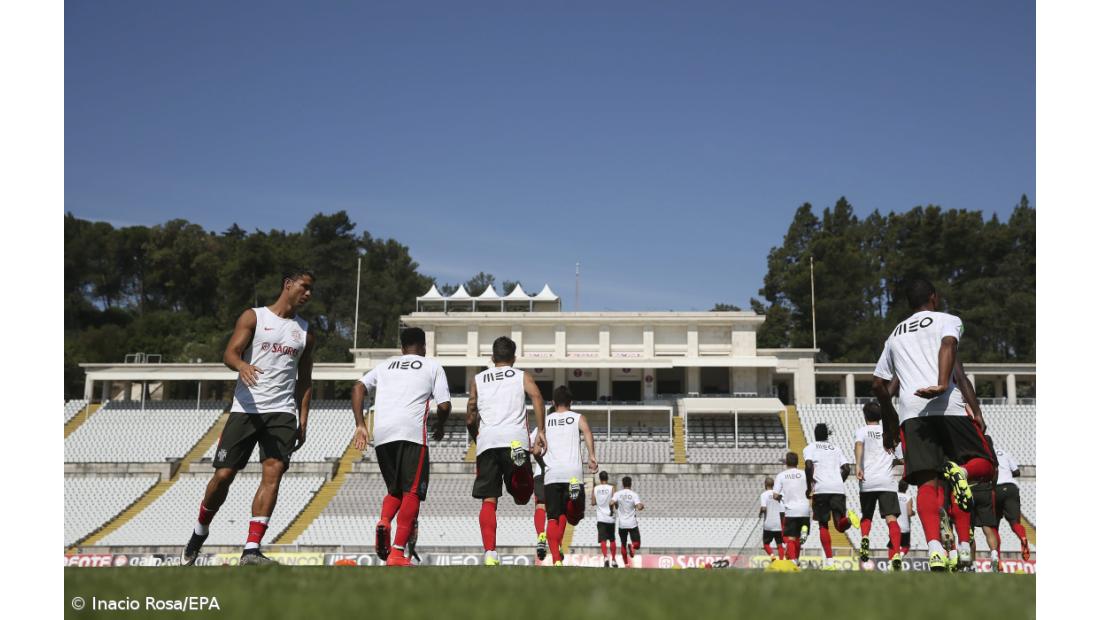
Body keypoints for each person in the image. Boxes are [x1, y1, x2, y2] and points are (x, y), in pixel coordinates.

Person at [182, 269, 316, 566]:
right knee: (224, 476)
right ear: (288, 284)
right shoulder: (253, 317)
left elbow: (305, 380)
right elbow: (230, 353)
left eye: (311, 290)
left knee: (274, 473)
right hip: (246, 408)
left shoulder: (305, 331)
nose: (308, 294)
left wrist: (303, 419)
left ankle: (252, 549)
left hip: (282, 412)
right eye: (304, 287)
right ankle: (200, 530)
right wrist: (241, 365)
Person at [871, 278, 997, 571]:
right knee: (984, 465)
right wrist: (960, 398)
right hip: (949, 407)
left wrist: (891, 424)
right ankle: (965, 544)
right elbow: (950, 349)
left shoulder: (894, 335)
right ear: (934, 297)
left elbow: (879, 385)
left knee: (928, 484)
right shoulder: (948, 320)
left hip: (913, 414)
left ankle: (935, 549)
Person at [352, 327, 451, 567]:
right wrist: (440, 425)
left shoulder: (385, 366)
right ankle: (397, 552)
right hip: (412, 433)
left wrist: (360, 425)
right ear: (424, 347)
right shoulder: (432, 366)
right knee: (412, 492)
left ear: (402, 348)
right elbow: (445, 404)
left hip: (383, 434)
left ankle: (384, 521)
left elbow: (357, 387)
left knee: (395, 490)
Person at [466, 337, 547, 566]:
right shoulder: (522, 376)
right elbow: (537, 397)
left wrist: (477, 437)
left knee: (489, 500)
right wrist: (541, 431)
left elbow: (471, 413)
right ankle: (520, 471)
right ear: (514, 358)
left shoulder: (478, 379)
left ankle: (490, 553)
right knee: (522, 498)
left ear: (492, 358)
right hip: (515, 439)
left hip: (488, 442)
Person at [541, 386, 598, 566]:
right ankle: (573, 499)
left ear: (553, 403)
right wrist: (592, 456)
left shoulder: (546, 420)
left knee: (552, 517)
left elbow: (537, 443)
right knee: (574, 516)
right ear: (571, 403)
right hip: (573, 472)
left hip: (552, 474)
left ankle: (557, 561)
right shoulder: (577, 417)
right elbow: (587, 431)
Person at [804, 423, 859, 570]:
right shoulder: (836, 448)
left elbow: (809, 466)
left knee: (823, 524)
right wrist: (838, 482)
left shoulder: (810, 448)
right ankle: (848, 519)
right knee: (840, 526)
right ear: (827, 436)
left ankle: (830, 562)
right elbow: (847, 468)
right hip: (837, 488)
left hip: (821, 489)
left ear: (815, 435)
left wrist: (809, 487)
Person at [854, 402, 902, 566]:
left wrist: (858, 466)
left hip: (868, 480)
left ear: (865, 416)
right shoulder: (887, 432)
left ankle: (865, 538)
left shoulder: (862, 431)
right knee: (891, 519)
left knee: (866, 516)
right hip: (886, 481)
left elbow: (859, 445)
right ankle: (896, 553)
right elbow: (900, 457)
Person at [994, 443, 1030, 561]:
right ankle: (1023, 537)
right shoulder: (1004, 452)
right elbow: (1017, 472)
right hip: (1011, 488)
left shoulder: (984, 453)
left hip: (995, 489)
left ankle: (997, 559)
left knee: (994, 527)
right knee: (1015, 523)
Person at [772, 451, 811, 564]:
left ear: (786, 462)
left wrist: (779, 497)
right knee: (798, 538)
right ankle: (797, 560)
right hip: (804, 509)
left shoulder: (781, 475)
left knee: (790, 538)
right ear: (797, 462)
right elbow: (812, 489)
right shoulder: (804, 474)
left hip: (791, 511)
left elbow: (774, 494)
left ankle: (793, 560)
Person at [611, 477, 644, 567]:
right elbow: (639, 507)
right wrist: (642, 506)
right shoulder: (634, 495)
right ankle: (632, 546)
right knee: (637, 544)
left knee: (623, 544)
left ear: (622, 483)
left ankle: (626, 564)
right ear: (631, 483)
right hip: (632, 523)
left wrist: (614, 506)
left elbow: (611, 502)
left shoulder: (618, 494)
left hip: (622, 524)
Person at [530, 425, 549, 562]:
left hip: (541, 472)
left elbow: (529, 447)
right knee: (557, 513)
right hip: (560, 473)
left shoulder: (540, 428)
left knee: (540, 506)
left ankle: (541, 535)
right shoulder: (570, 423)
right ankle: (558, 546)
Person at [592, 471, 618, 567]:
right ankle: (614, 560)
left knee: (603, 539)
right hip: (610, 518)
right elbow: (615, 501)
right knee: (612, 539)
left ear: (600, 478)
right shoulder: (612, 488)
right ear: (607, 478)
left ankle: (605, 557)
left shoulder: (595, 488)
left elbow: (593, 502)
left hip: (601, 517)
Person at [759, 477, 786, 561]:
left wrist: (760, 513)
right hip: (778, 524)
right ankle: (781, 561)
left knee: (766, 544)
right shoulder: (779, 494)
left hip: (768, 524)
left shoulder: (764, 495)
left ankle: (772, 555)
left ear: (765, 485)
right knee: (779, 544)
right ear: (773, 485)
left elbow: (763, 508)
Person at [893, 481, 914, 570]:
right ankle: (900, 556)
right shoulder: (908, 498)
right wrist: (914, 512)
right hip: (905, 526)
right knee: (906, 546)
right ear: (906, 488)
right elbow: (909, 512)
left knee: (893, 545)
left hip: (895, 524)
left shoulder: (894, 496)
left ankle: (891, 562)